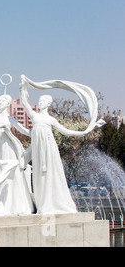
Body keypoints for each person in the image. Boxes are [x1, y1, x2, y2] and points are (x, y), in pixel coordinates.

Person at [19, 75, 105, 214]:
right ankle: (42, 203)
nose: (40, 103)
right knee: (38, 173)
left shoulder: (50, 119)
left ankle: (52, 203)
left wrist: (89, 128)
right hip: (38, 149)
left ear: (48, 104)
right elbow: (24, 103)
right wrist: (22, 87)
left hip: (48, 148)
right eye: (40, 101)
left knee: (50, 172)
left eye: (43, 101)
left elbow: (67, 132)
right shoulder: (35, 116)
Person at [0, 94, 35, 215]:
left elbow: (23, 130)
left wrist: (37, 132)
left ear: (8, 103)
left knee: (10, 171)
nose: (0, 102)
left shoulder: (10, 119)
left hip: (7, 148)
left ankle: (14, 203)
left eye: (3, 101)